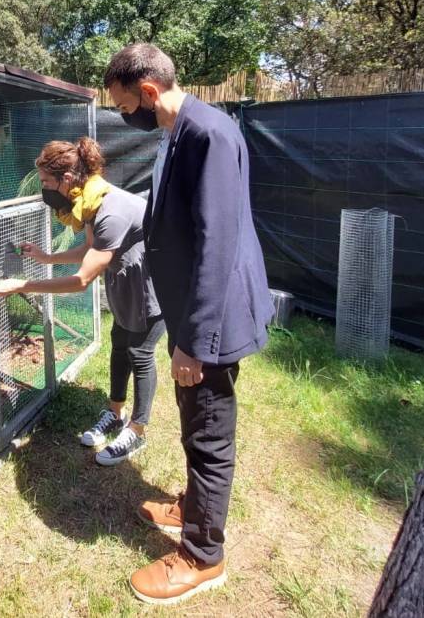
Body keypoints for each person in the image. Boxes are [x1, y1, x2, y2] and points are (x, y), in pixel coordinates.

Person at [104, 44, 274, 604]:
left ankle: (203, 555)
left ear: (149, 92)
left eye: (125, 103)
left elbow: (217, 246)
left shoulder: (208, 135)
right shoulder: (182, 132)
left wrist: (193, 344)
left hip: (213, 321)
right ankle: (193, 506)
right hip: (193, 315)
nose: (125, 114)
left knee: (209, 433)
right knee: (195, 420)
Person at [0, 137, 166, 466]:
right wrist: (47, 257)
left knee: (140, 354)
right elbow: (88, 251)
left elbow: (82, 279)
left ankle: (137, 430)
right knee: (119, 346)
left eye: (45, 182)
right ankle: (114, 413)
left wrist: (21, 284)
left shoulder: (110, 210)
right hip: (125, 286)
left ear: (67, 180)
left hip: (151, 292)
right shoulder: (91, 204)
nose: (44, 189)